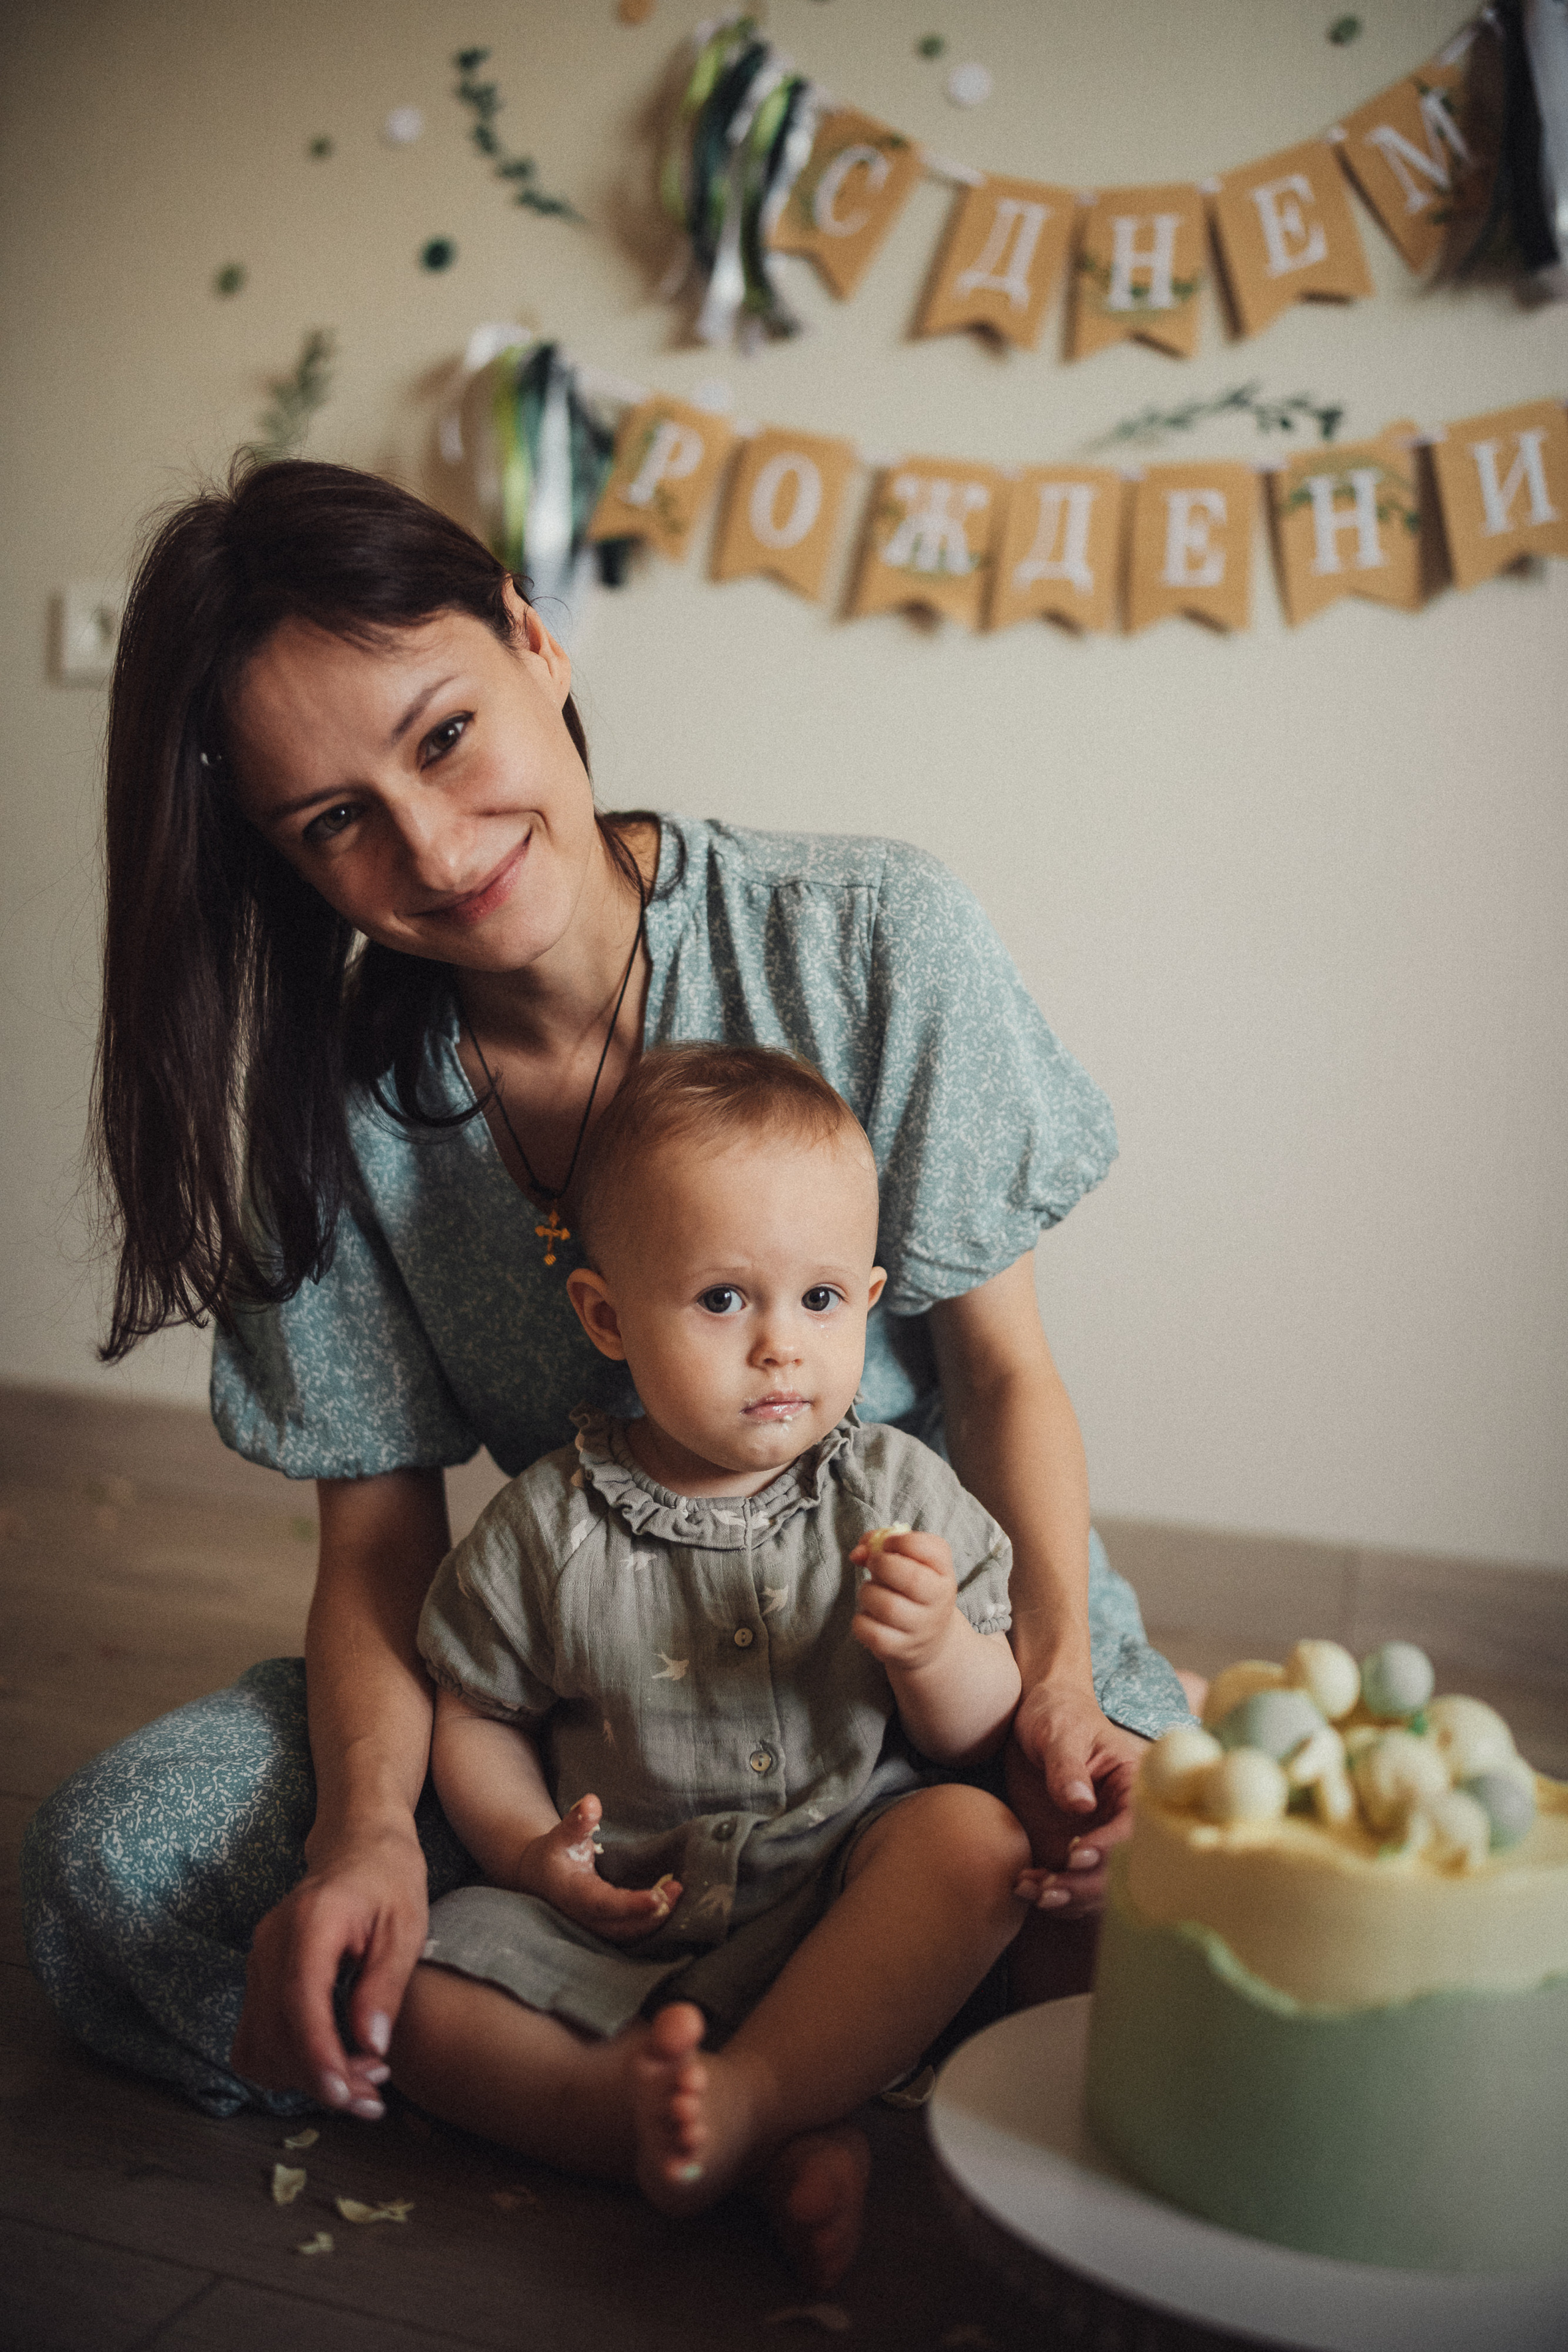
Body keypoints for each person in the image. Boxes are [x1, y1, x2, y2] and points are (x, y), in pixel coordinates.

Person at [22, 457, 1192, 2132]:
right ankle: (761, 2079)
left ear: (533, 639)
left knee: (1175, 1918)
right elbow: (382, 1546)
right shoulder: (332, 1112)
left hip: (958, 1669)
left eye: (442, 738)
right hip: (600, 1731)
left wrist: (1060, 1688)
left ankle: (712, 2061)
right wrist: (374, 1839)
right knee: (106, 1872)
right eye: (335, 823)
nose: (434, 847)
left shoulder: (866, 934)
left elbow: (1003, 1380)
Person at [400, 1042, 1030, 2285]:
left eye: (818, 1301)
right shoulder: (547, 1523)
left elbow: (979, 1733)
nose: (779, 1349)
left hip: (841, 1902)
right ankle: (700, 2133)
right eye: (721, 1300)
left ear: (868, 1296)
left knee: (972, 1846)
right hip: (623, 1923)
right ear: (605, 1316)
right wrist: (532, 1850)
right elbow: (473, 1708)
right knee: (413, 1998)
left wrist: (939, 1650)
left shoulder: (898, 1493)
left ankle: (749, 2095)